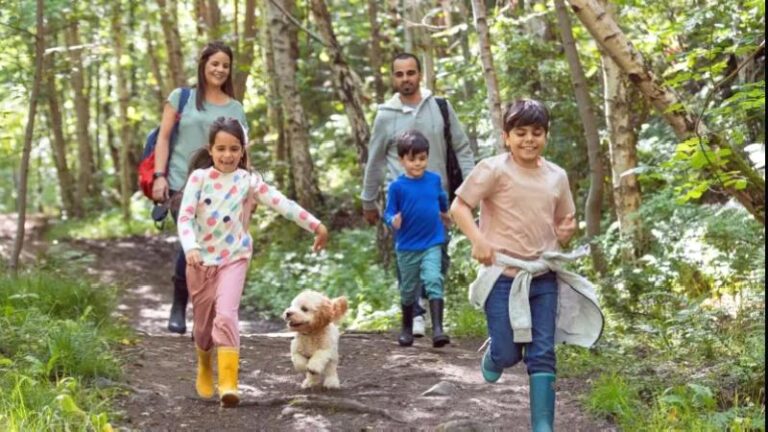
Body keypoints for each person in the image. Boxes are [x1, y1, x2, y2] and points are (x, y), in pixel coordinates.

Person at [450, 99, 602, 432]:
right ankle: (496, 354)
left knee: (543, 352)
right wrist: (478, 239)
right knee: (508, 354)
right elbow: (460, 207)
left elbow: (565, 220)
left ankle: (543, 425)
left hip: (542, 277)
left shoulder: (556, 176)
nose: (528, 140)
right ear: (507, 136)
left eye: (536, 132)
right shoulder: (493, 169)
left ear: (546, 136)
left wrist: (566, 231)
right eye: (520, 133)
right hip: (502, 277)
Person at [177, 117, 329, 407]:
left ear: (242, 150)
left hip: (234, 258)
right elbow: (185, 217)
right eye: (221, 149)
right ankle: (204, 364)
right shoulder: (199, 179)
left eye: (234, 149)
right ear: (210, 150)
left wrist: (315, 225)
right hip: (200, 261)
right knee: (202, 327)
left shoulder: (248, 182)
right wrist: (191, 246)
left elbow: (282, 204)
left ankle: (229, 384)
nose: (227, 155)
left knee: (225, 316)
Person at [361, 52, 475, 337]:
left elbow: (461, 148)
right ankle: (416, 313)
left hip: (438, 199)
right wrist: (368, 199)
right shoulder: (385, 115)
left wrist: (471, 188)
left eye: (410, 73)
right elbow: (374, 160)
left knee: (438, 257)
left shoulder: (440, 107)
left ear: (419, 74)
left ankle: (425, 304)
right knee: (409, 257)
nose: (405, 79)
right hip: (403, 202)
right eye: (399, 74)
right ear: (393, 78)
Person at [151, 41, 248, 334]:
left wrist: (249, 191)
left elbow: (243, 150)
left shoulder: (235, 108)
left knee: (214, 249)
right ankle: (180, 303)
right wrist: (159, 176)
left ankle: (205, 312)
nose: (219, 69)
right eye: (214, 63)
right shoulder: (181, 98)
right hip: (182, 185)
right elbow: (164, 138)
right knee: (190, 245)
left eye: (225, 65)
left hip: (222, 191)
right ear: (203, 65)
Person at [383, 130, 451, 348]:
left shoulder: (433, 180)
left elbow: (441, 199)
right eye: (412, 159)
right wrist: (393, 220)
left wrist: (445, 213)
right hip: (407, 246)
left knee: (433, 279)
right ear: (402, 160)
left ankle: (438, 329)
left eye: (422, 159)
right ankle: (406, 328)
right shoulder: (397, 187)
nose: (418, 164)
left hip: (432, 241)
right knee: (408, 288)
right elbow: (388, 212)